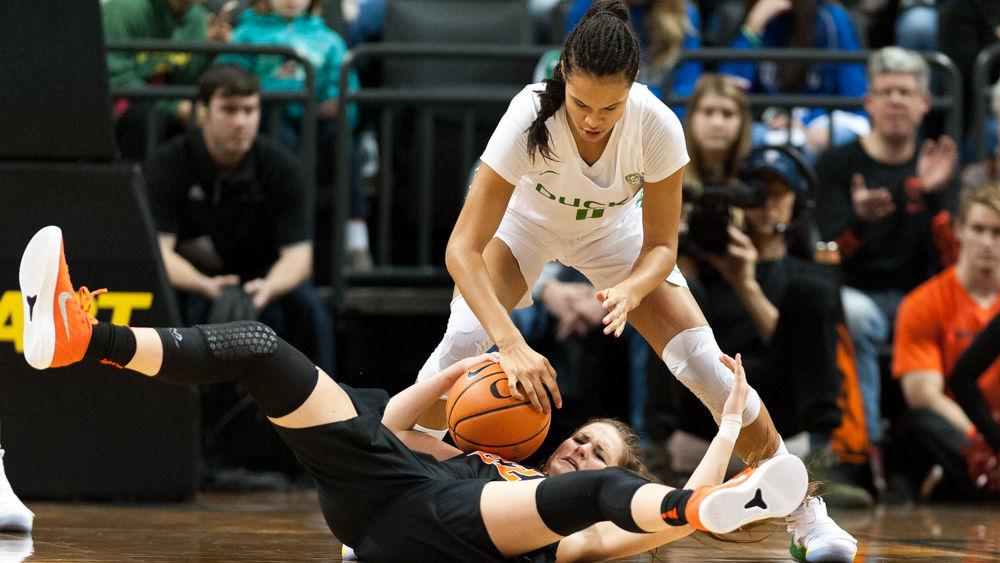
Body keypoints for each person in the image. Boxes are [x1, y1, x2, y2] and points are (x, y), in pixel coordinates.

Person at [18, 225, 809, 562]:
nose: (576, 444)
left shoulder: (566, 521)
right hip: (378, 494)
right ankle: (83, 338)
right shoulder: (483, 455)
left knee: (600, 497)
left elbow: (616, 519)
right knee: (263, 351)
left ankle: (707, 506)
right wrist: (454, 376)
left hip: (446, 534)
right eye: (579, 437)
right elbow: (389, 426)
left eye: (594, 443)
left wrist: (731, 425)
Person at [412, 2, 857, 561]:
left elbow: (662, 247)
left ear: (633, 89)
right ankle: (392, 508)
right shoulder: (528, 115)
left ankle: (810, 519)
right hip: (525, 228)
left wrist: (632, 288)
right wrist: (511, 343)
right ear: (563, 79)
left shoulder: (658, 123)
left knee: (707, 366)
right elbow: (462, 248)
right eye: (580, 103)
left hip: (615, 237)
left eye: (610, 106)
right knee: (458, 348)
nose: (594, 119)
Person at [143, 64, 334, 478]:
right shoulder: (170, 163)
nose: (241, 121)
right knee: (175, 316)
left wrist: (266, 290)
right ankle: (190, 451)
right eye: (229, 109)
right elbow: (159, 253)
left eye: (250, 109)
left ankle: (326, 448)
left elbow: (299, 258)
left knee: (312, 313)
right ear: (203, 112)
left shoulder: (280, 166)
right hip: (197, 280)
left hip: (265, 278)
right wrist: (208, 287)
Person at [676, 147, 874, 507]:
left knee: (812, 292)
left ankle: (821, 456)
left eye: (778, 192)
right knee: (668, 291)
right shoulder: (706, 263)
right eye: (757, 193)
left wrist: (745, 285)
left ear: (797, 202)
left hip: (779, 411)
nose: (766, 203)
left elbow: (795, 353)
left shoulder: (806, 276)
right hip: (709, 403)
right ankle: (659, 448)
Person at [813, 46, 959, 452]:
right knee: (855, 316)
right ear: (869, 102)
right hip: (859, 291)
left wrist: (931, 200)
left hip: (922, 293)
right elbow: (828, 254)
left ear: (924, 103)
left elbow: (953, 259)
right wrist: (859, 221)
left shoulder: (939, 162)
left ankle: (949, 450)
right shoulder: (837, 164)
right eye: (886, 91)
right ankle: (865, 448)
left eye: (906, 92)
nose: (896, 100)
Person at [220, 0, 372, 269]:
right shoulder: (247, 34)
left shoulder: (328, 39)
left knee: (343, 142)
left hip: (316, 122)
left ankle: (356, 239)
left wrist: (335, 105)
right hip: (268, 120)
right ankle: (286, 237)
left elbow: (346, 89)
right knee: (281, 141)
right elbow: (229, 82)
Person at [891, 182, 1000, 500]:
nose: (988, 242)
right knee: (920, 421)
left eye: (997, 232)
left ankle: (961, 484)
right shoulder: (924, 302)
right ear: (959, 231)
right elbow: (924, 395)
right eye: (979, 229)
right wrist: (982, 438)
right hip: (958, 426)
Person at [719, 0, 869, 156]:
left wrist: (805, 120)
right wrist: (752, 28)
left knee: (832, 135)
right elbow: (727, 94)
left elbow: (855, 98)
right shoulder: (753, 17)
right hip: (767, 125)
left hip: (816, 125)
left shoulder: (831, 19)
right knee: (734, 132)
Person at [102, 0, 233, 160]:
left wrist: (209, 53)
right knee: (143, 119)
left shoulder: (197, 17)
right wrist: (175, 108)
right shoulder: (126, 9)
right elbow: (116, 77)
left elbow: (190, 80)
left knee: (218, 119)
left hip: (174, 108)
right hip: (123, 109)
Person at [564, 0, 703, 117]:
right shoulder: (588, 6)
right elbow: (580, 75)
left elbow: (688, 82)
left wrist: (663, 122)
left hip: (666, 115)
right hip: (607, 113)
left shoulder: (684, 13)